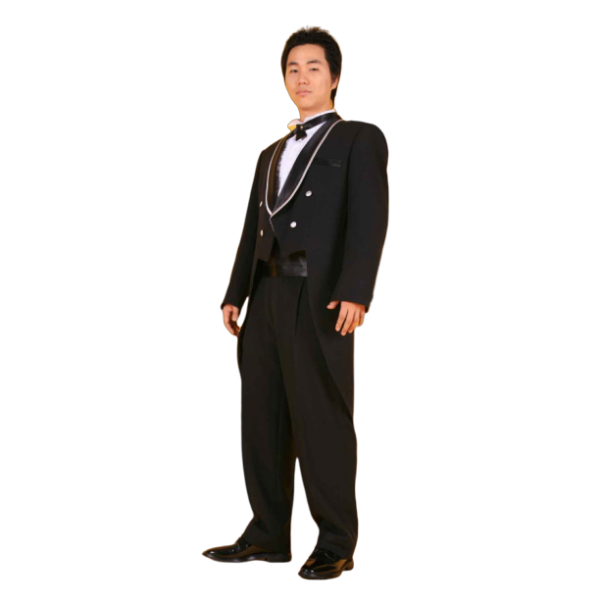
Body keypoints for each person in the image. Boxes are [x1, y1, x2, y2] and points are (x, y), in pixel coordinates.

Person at [202, 25, 390, 581]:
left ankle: (335, 542)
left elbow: (371, 216)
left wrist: (357, 289)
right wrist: (236, 293)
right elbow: (251, 229)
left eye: (313, 67)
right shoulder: (269, 152)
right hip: (265, 297)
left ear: (335, 77)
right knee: (261, 418)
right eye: (292, 68)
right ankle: (267, 536)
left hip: (321, 296)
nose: (301, 77)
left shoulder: (359, 136)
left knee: (322, 419)